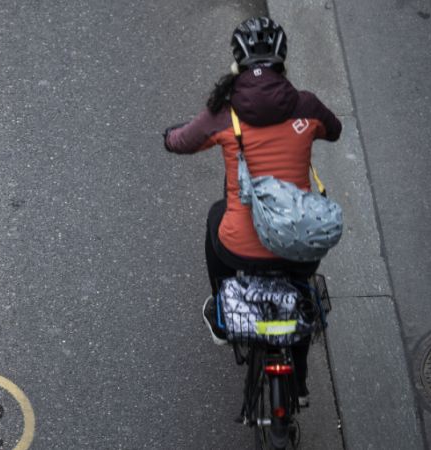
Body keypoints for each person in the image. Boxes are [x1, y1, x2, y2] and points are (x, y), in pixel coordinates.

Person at [162, 17, 342, 405]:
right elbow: (335, 129)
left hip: (240, 246)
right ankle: (300, 382)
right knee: (301, 293)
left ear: (237, 64)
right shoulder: (306, 106)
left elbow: (180, 142)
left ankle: (222, 311)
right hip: (300, 245)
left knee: (216, 217)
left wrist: (169, 136)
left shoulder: (223, 114)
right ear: (283, 62)